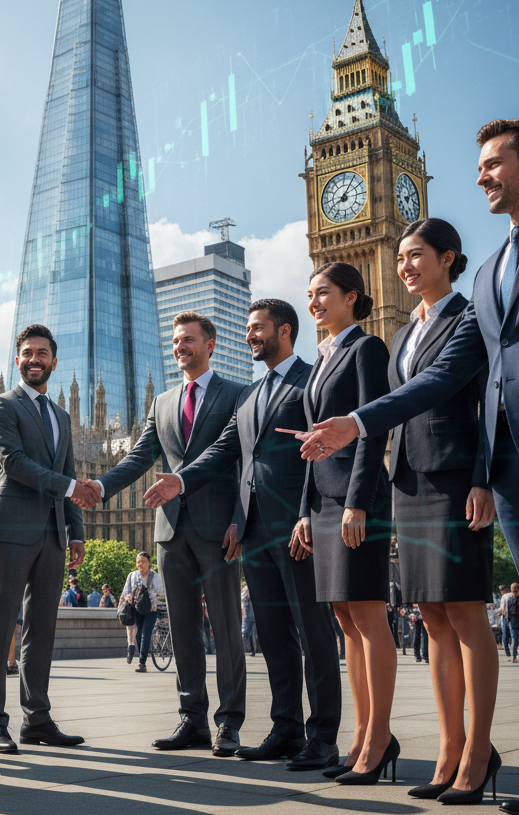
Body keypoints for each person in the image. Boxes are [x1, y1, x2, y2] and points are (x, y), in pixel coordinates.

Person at [301, 119, 519, 815]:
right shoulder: (492, 274)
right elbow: (440, 382)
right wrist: (358, 422)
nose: (481, 176)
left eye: (494, 163)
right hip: (506, 470)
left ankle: (508, 757)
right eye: (478, 166)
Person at [162, 299, 343, 771]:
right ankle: (285, 728)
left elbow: (323, 450)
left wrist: (309, 512)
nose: (250, 335)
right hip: (255, 528)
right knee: (273, 633)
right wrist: (181, 480)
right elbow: (225, 452)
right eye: (247, 328)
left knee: (312, 631)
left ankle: (323, 735)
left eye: (257, 328)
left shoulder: (312, 380)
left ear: (284, 331)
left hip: (298, 525)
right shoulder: (249, 394)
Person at [386, 217, 501, 801]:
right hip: (409, 482)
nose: (405, 265)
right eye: (401, 257)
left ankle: (479, 754)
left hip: (455, 478)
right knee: (430, 615)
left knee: (465, 612)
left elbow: (486, 404)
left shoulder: (468, 316)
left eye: (416, 255)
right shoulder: (405, 332)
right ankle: (450, 746)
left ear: (448, 258)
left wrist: (483, 479)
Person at [96, 312, 246, 756]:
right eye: (176, 341)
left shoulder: (237, 393)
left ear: (210, 344)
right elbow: (141, 456)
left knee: (225, 625)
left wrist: (239, 516)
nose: (181, 346)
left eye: (189, 340)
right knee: (181, 628)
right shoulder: (162, 402)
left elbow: (241, 459)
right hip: (170, 529)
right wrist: (100, 486)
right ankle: (192, 718)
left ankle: (229, 721)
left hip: (219, 527)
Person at [288, 262, 397, 785]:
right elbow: (313, 443)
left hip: (357, 501)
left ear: (352, 297)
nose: (313, 303)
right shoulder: (321, 360)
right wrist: (307, 510)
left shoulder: (366, 349)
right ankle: (360, 735)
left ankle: (379, 737)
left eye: (323, 294)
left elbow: (373, 429)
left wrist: (358, 502)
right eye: (309, 295)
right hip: (325, 503)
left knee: (369, 617)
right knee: (347, 622)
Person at [0, 324, 88, 753]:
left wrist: (75, 530)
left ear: (53, 361)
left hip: (53, 533)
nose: (35, 359)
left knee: (41, 628)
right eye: (27, 353)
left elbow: (72, 471)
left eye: (42, 353)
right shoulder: (0, 405)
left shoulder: (61, 415)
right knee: (0, 623)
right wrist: (67, 488)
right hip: (11, 526)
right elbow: (13, 462)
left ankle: (37, 718)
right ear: (17, 359)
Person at [122, 554, 163, 672]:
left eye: (143, 561)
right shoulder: (132, 575)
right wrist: (124, 603)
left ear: (149, 563)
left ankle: (142, 663)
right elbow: (126, 591)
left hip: (151, 610)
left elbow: (160, 593)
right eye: (138, 561)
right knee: (139, 633)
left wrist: (156, 603)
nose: (140, 564)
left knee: (146, 633)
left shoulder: (155, 577)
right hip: (138, 609)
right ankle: (141, 656)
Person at [498, 585, 514, 659]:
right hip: (513, 616)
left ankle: (508, 652)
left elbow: (501, 609)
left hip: (505, 616)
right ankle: (514, 652)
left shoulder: (504, 596)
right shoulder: (512, 595)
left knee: (505, 634)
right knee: (512, 633)